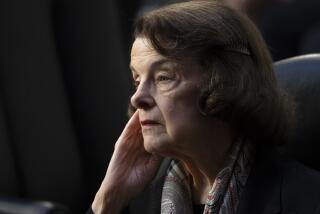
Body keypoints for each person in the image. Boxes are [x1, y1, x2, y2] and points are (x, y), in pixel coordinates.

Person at [89, 1, 320, 213]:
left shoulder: (307, 199)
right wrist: (108, 200)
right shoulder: (136, 200)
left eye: (163, 77)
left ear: (225, 83)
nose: (137, 99)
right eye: (137, 81)